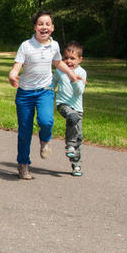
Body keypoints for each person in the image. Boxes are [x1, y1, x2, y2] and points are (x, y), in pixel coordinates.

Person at [8, 10, 81, 180]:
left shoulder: (54, 46)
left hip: (45, 91)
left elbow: (57, 62)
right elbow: (17, 65)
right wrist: (12, 74)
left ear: (52, 28)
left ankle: (45, 140)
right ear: (35, 27)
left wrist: (70, 74)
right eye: (40, 24)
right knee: (24, 131)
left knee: (46, 121)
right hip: (25, 93)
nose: (44, 27)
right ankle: (23, 165)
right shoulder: (26, 45)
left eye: (47, 24)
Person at [52, 41, 87, 176]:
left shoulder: (82, 73)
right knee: (71, 117)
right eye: (65, 58)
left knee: (78, 135)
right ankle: (69, 145)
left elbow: (79, 92)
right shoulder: (60, 70)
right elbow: (53, 83)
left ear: (80, 59)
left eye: (72, 58)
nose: (68, 61)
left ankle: (76, 165)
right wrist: (48, 90)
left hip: (77, 108)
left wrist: (74, 79)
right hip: (63, 104)